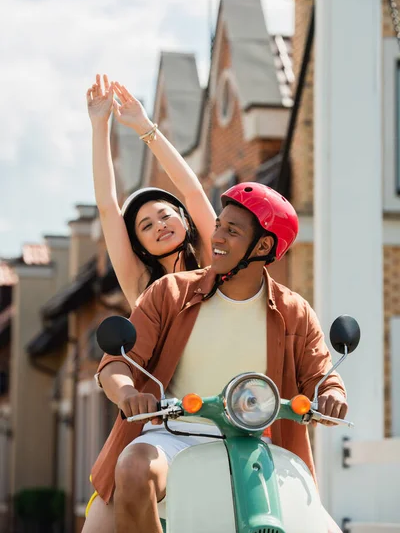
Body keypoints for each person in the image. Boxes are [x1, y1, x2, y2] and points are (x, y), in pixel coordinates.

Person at [85, 182, 346, 533]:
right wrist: (128, 393)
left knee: (319, 525)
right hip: (175, 433)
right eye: (219, 226)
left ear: (264, 246)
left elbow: (322, 375)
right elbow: (117, 363)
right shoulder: (170, 292)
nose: (217, 236)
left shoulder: (294, 311)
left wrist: (332, 397)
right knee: (133, 467)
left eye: (231, 231)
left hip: (255, 443)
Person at [87, 74, 216, 310]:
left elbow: (193, 190)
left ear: (186, 221)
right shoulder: (140, 285)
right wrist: (99, 125)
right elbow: (107, 207)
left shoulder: (215, 260)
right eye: (146, 226)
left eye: (165, 216)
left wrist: (143, 126)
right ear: (139, 245)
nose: (160, 225)